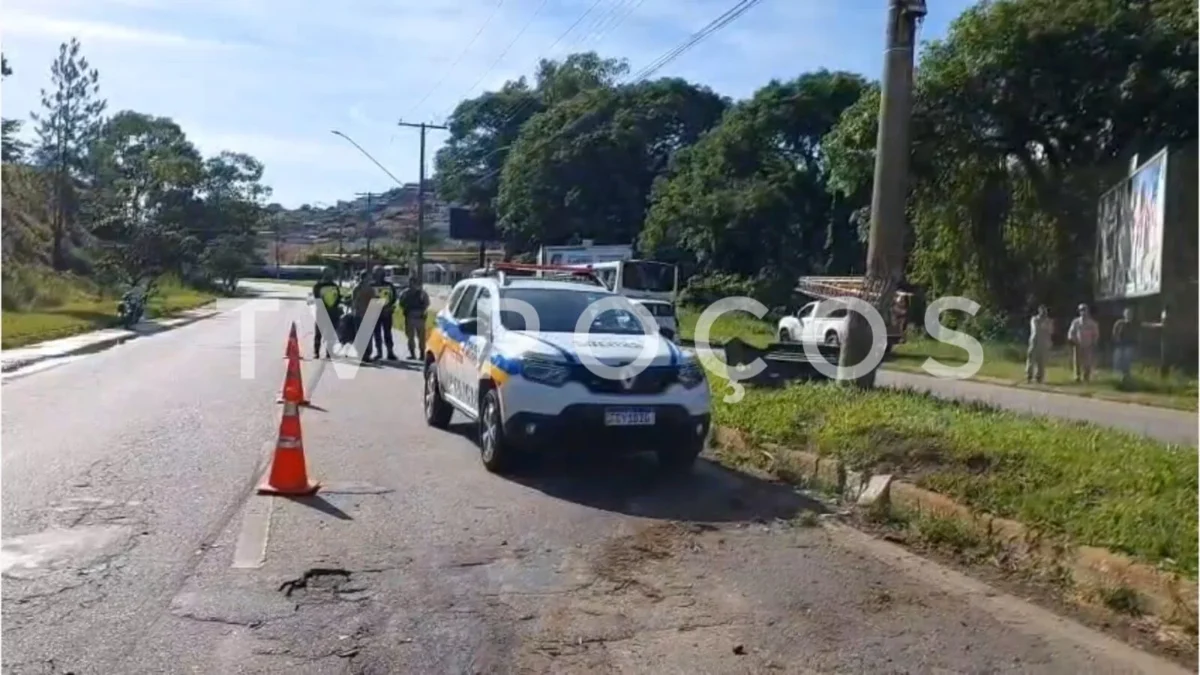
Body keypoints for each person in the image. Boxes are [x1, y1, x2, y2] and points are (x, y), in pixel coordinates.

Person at [311, 268, 342, 358]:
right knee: (319, 333)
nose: (331, 276)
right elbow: (317, 299)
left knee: (330, 334)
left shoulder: (333, 285)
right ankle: (317, 352)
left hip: (331, 312)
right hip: (323, 312)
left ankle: (328, 352)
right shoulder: (319, 286)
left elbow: (337, 298)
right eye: (329, 274)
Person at [370, 265, 399, 361]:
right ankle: (379, 352)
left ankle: (390, 352)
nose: (379, 276)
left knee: (387, 333)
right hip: (374, 312)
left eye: (380, 273)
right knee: (377, 333)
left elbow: (394, 298)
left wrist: (389, 306)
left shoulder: (389, 285)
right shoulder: (370, 285)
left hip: (386, 313)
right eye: (377, 273)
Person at [398, 278, 431, 360]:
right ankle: (415, 354)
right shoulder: (417, 293)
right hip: (413, 316)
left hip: (417, 316)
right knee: (411, 337)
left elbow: (401, 303)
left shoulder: (416, 293)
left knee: (420, 337)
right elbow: (427, 303)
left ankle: (421, 354)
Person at [1066, 303, 1100, 382]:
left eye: (1085, 310)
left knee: (1087, 361)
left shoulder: (1092, 323)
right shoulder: (1076, 322)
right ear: (1079, 311)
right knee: (1077, 361)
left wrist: (1094, 342)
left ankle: (1086, 376)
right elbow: (1071, 332)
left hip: (1088, 344)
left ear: (1088, 311)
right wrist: (1072, 340)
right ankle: (1077, 376)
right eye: (1081, 310)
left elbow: (1096, 333)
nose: (1083, 312)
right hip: (1078, 344)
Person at [351, 270, 377, 361]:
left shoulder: (370, 289)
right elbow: (354, 301)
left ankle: (366, 354)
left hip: (368, 314)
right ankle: (361, 354)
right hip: (360, 314)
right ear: (364, 278)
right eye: (368, 277)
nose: (370, 279)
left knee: (367, 335)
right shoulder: (358, 288)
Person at [1026, 304, 1053, 384]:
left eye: (1045, 311)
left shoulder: (1049, 321)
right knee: (1031, 360)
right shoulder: (1035, 319)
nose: (1044, 313)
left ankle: (1039, 378)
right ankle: (1029, 376)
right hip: (1035, 342)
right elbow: (1036, 329)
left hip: (1044, 343)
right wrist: (1044, 327)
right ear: (1039, 311)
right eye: (1042, 311)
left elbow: (1050, 331)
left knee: (1042, 361)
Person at [1112, 307, 1136, 386]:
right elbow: (1114, 333)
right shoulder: (1119, 323)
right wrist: (1116, 341)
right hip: (1120, 345)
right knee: (1118, 361)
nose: (1129, 315)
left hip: (1129, 345)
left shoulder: (1133, 324)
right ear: (1124, 314)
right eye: (1127, 313)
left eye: (1130, 314)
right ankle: (1118, 379)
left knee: (1127, 361)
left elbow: (1135, 335)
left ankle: (1126, 377)